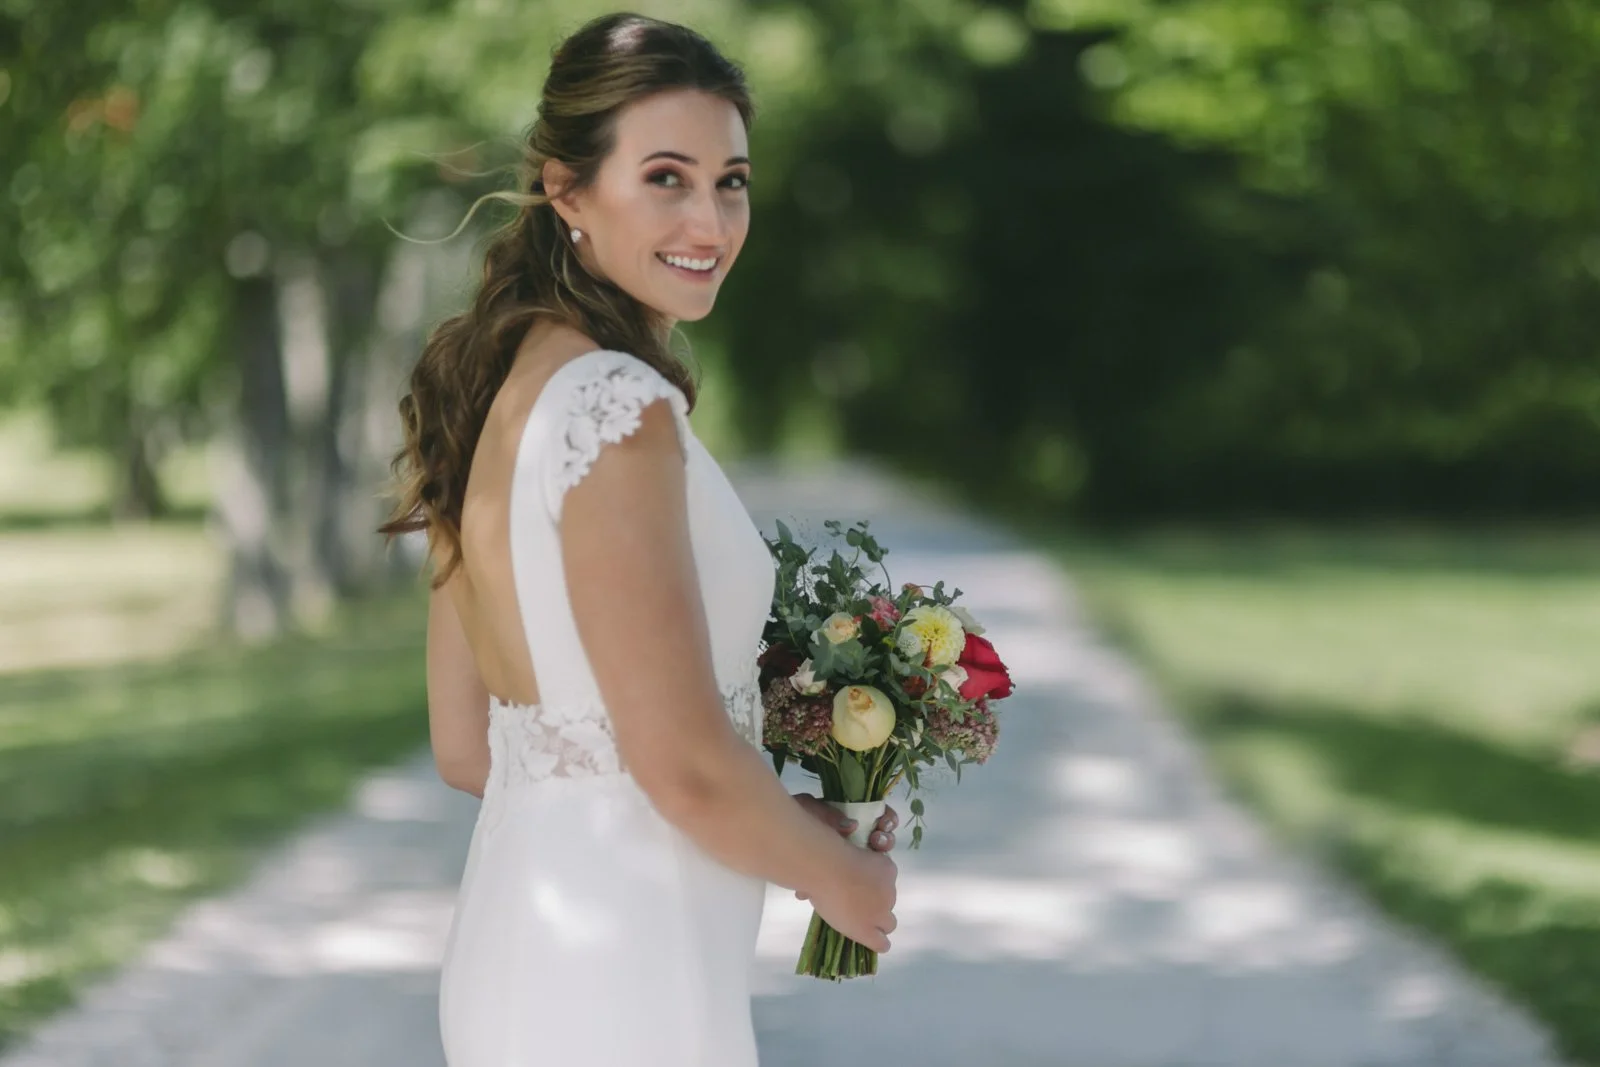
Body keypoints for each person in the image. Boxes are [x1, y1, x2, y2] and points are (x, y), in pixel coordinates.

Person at [378, 12, 900, 1066]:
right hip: (622, 972)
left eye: (732, 180)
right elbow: (677, 763)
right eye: (665, 176)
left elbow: (470, 744)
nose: (709, 218)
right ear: (566, 188)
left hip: (533, 943)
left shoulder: (496, 388)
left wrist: (780, 820)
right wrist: (845, 882)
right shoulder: (617, 406)